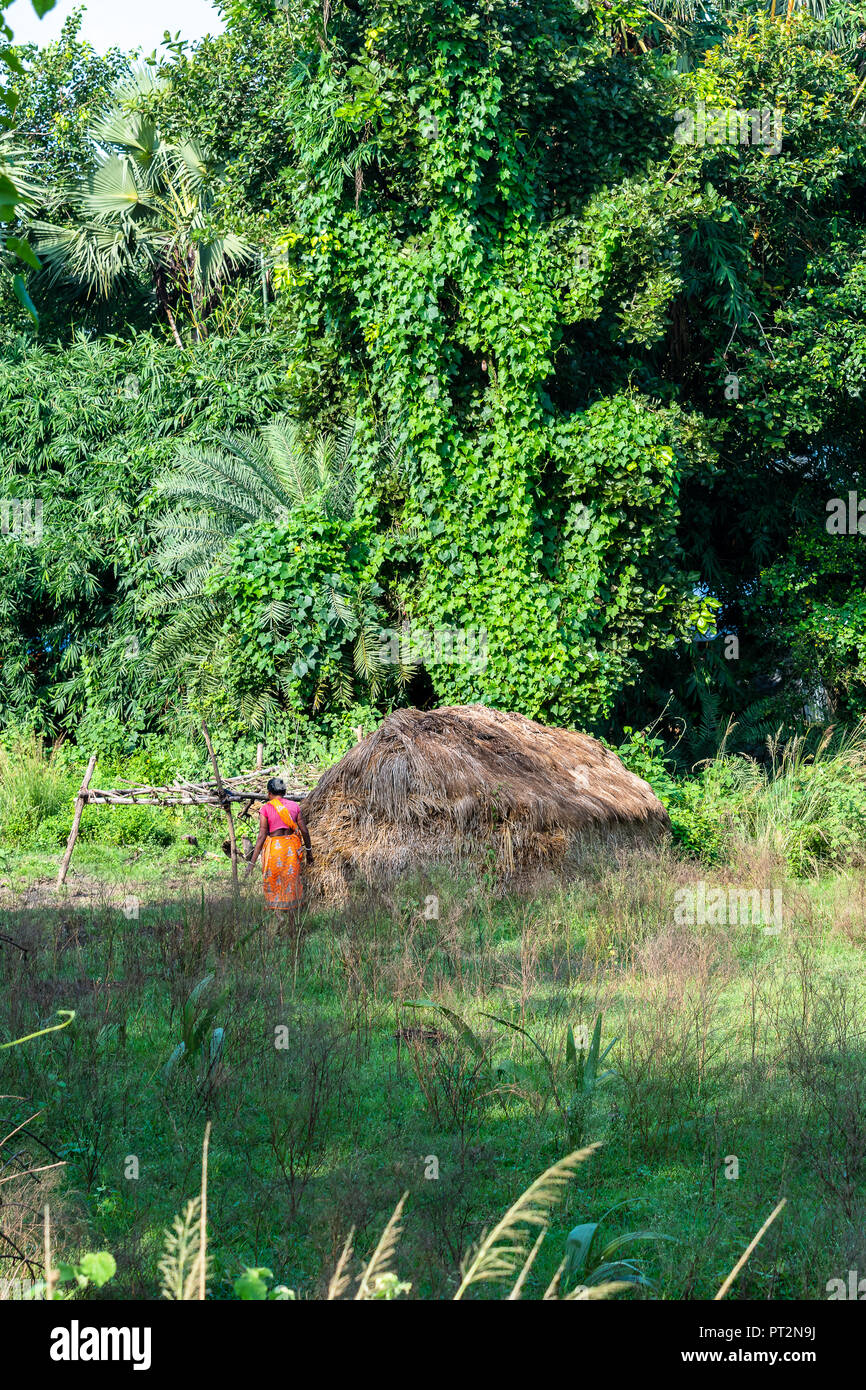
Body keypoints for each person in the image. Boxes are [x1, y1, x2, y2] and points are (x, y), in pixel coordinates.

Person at [247, 776, 313, 911]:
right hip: (291, 850)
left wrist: (251, 864)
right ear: (284, 792)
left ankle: (276, 914)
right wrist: (309, 852)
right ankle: (291, 915)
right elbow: (304, 831)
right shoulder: (295, 806)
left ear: (269, 793)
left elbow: (261, 836)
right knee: (291, 880)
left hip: (275, 851)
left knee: (274, 882)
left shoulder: (266, 808)